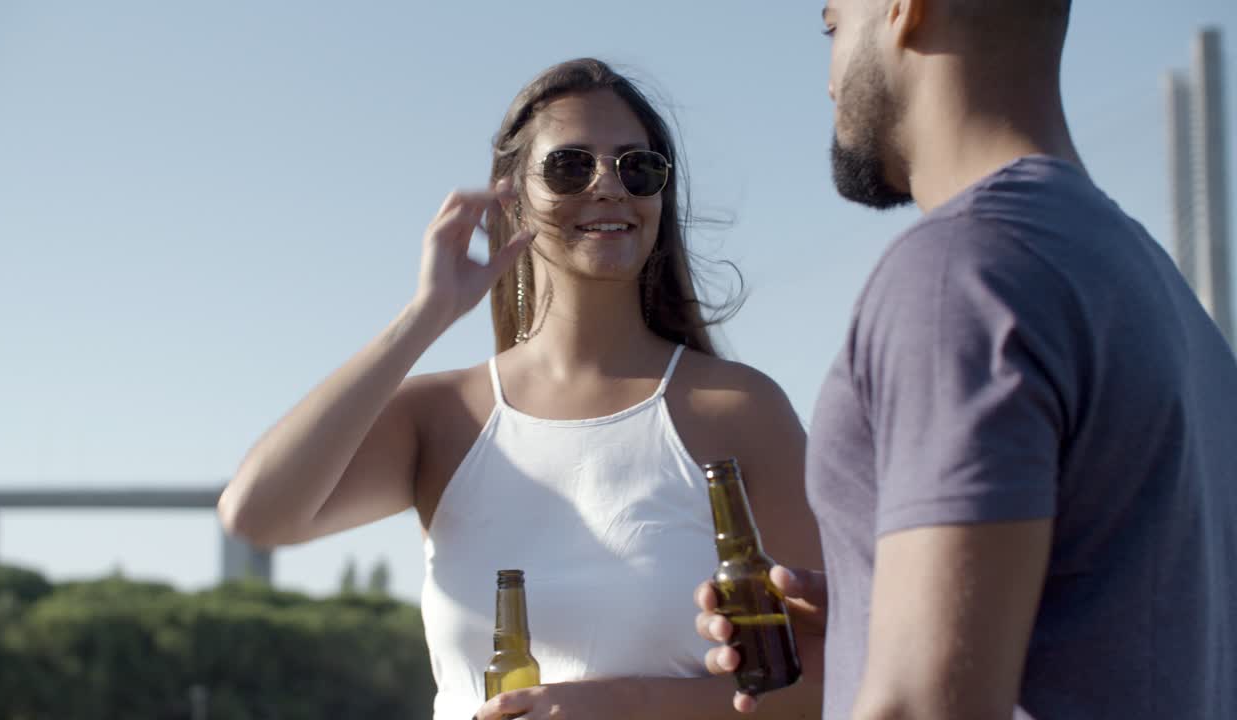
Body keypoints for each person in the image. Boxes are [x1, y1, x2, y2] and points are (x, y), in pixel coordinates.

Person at [217, 58, 824, 720]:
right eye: (571, 166)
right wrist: (424, 318)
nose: (609, 187)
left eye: (637, 168)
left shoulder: (739, 410)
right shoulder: (442, 416)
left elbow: (824, 675)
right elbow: (257, 515)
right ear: (511, 197)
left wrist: (625, 705)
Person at [696, 1, 1237, 718]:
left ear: (902, 10)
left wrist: (899, 684)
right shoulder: (1160, 293)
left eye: (832, 26)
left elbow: (924, 708)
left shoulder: (960, 274)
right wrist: (867, 627)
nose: (826, 78)